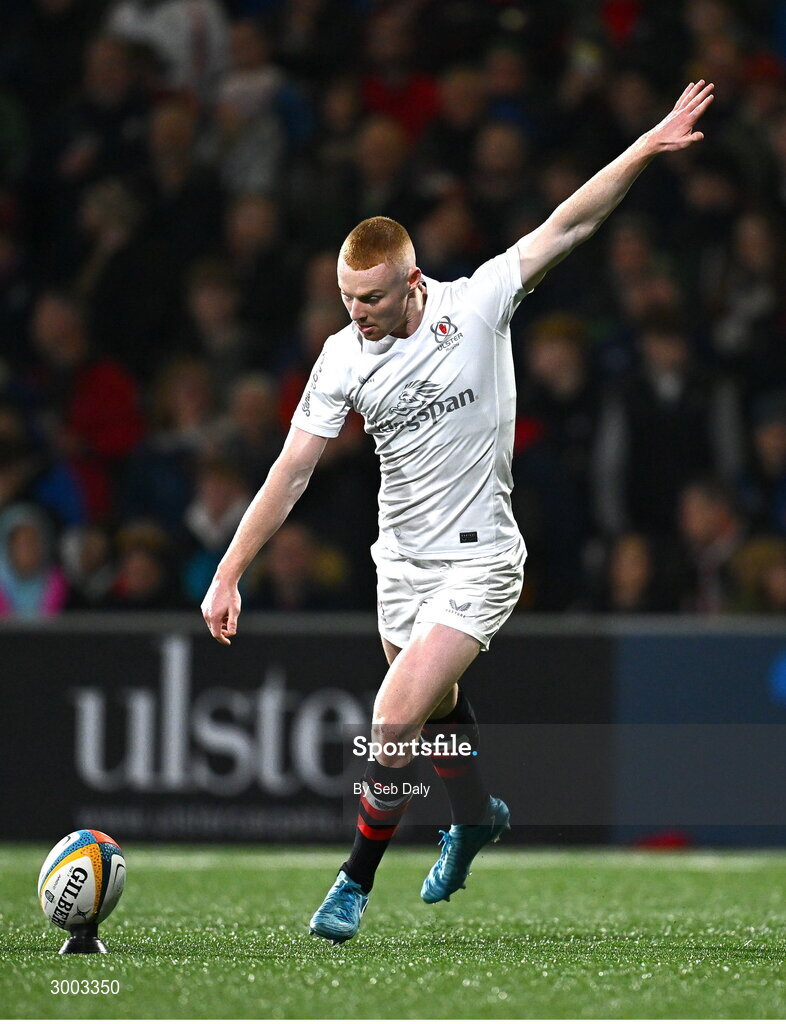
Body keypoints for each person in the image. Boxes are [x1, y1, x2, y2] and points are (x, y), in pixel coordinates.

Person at [202, 80, 715, 943]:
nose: (355, 314)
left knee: (395, 716)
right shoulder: (340, 359)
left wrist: (645, 146)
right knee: (437, 717)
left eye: (369, 299)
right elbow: (291, 470)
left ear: (411, 283)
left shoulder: (477, 305)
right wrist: (229, 570)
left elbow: (570, 221)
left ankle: (352, 885)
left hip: (481, 559)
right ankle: (475, 817)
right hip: (398, 562)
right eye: (344, 298)